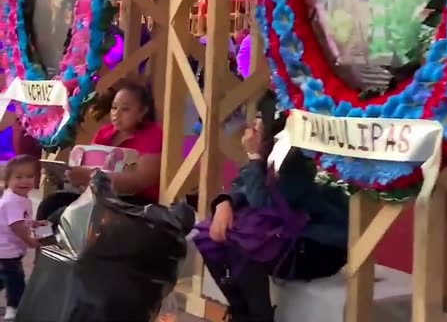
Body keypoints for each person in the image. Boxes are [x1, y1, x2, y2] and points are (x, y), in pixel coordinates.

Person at [197, 96, 349, 322]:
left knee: (245, 240)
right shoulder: (278, 146)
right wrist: (224, 202)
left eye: (259, 119)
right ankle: (241, 310)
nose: (252, 128)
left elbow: (263, 201)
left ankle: (259, 316)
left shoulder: (301, 157)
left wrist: (254, 156)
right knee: (211, 232)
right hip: (290, 233)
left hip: (318, 246)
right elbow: (244, 185)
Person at [38, 80, 164, 226]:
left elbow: (141, 181)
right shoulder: (105, 133)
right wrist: (65, 177)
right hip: (98, 196)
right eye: (114, 108)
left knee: (63, 216)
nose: (117, 114)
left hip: (135, 203)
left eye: (125, 109)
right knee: (50, 204)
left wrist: (92, 177)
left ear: (143, 111)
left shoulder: (153, 135)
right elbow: (88, 168)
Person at [0, 156, 41, 318]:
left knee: (4, 277)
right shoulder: (12, 201)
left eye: (30, 176)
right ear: (7, 179)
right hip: (6, 249)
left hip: (7, 248)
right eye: (18, 177)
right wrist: (30, 241)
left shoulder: (20, 198)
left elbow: (22, 219)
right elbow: (16, 225)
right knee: (15, 280)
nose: (25, 181)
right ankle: (13, 309)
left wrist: (34, 223)